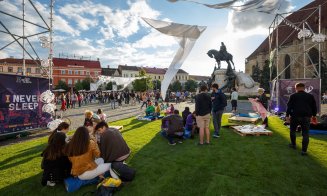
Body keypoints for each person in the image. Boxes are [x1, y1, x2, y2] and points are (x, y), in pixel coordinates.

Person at [286, 83, 317, 156]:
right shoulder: (310, 96)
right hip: (306, 117)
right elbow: (314, 107)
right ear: (304, 88)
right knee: (305, 133)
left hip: (295, 116)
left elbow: (289, 106)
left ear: (296, 88)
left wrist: (287, 115)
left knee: (292, 130)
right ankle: (304, 151)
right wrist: (314, 116)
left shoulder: (293, 96)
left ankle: (293, 145)